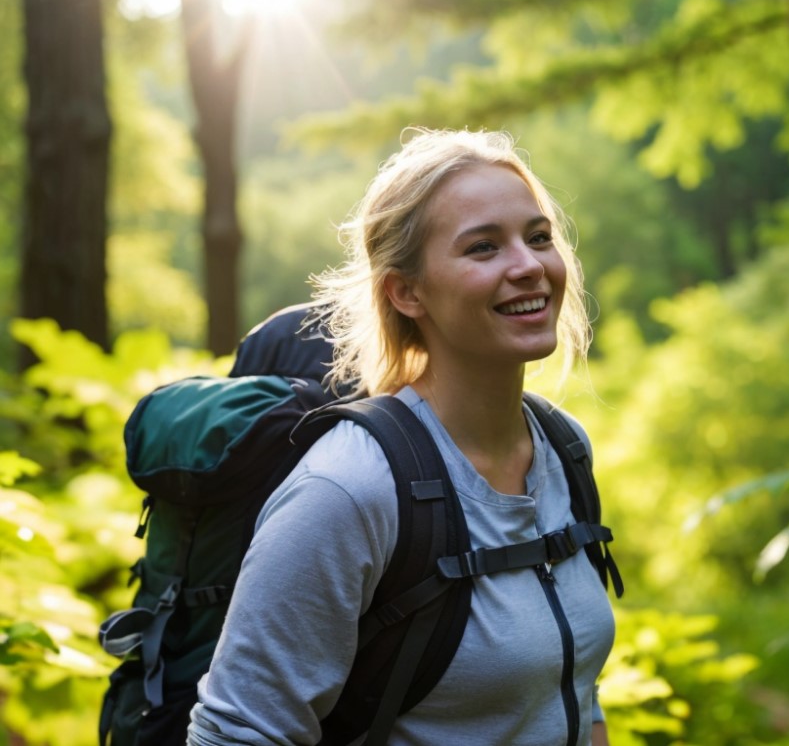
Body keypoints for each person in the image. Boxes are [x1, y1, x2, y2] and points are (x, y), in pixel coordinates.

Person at [186, 128, 615, 746]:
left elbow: (575, 691)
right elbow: (237, 734)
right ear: (406, 291)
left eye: (539, 236)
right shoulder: (350, 488)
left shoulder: (562, 448)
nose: (528, 266)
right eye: (483, 248)